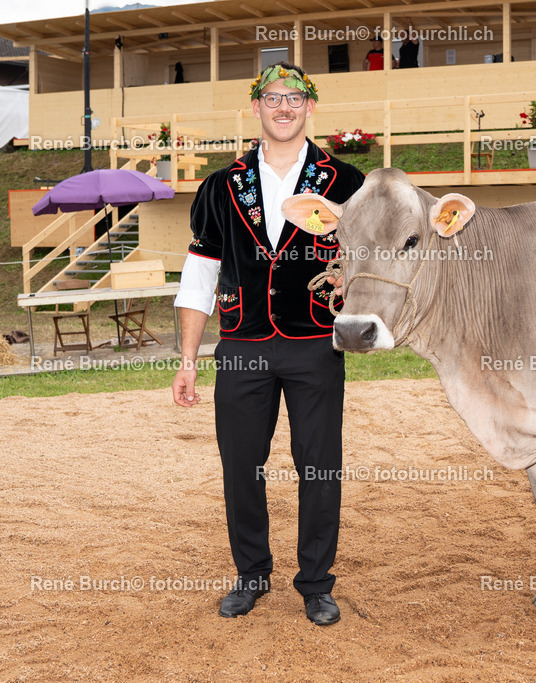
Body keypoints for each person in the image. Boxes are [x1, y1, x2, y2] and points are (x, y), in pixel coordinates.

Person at [171, 62, 365, 626]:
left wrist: (351, 282)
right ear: (255, 106)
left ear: (311, 107)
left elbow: (374, 258)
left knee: (320, 467)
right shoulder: (220, 186)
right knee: (241, 466)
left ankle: (316, 584)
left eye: (296, 97)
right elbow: (198, 277)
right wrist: (187, 359)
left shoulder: (347, 183)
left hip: (315, 344)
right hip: (242, 345)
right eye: (274, 97)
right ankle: (252, 575)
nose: (285, 107)